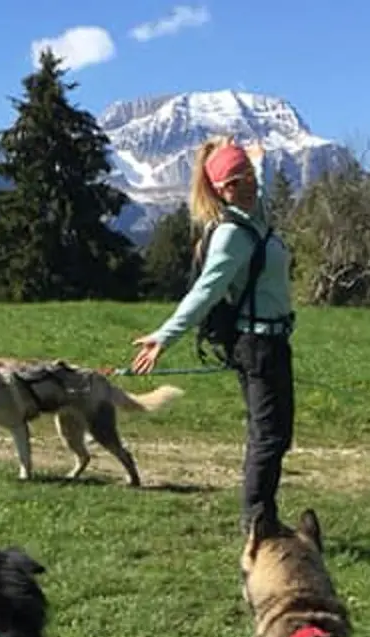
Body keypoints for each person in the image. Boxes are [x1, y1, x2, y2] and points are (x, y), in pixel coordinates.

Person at [129, 136, 296, 534]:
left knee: (275, 434)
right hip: (257, 346)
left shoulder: (256, 215)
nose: (250, 184)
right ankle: (258, 525)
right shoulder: (231, 235)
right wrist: (164, 337)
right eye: (238, 180)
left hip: (273, 342)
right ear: (222, 190)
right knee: (268, 437)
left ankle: (261, 520)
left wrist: (255, 158)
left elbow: (260, 182)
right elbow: (204, 291)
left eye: (251, 177)